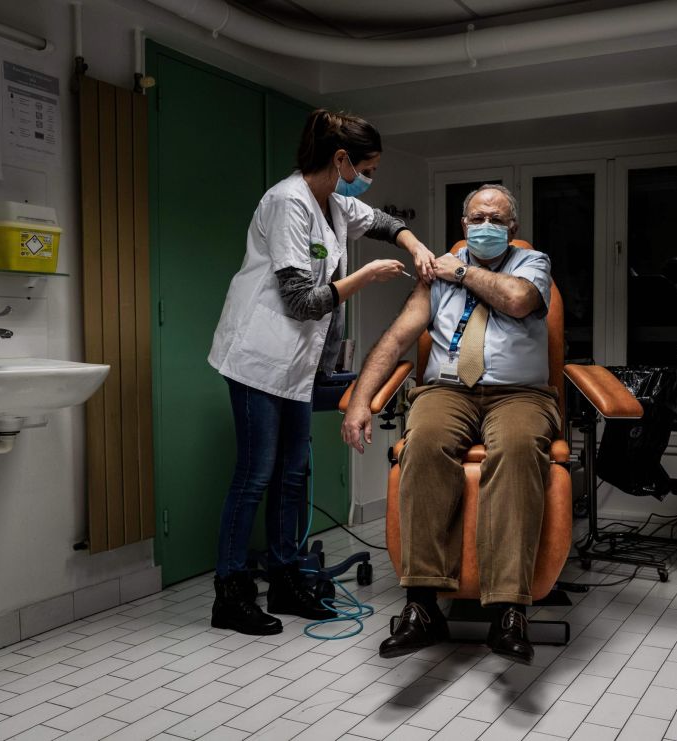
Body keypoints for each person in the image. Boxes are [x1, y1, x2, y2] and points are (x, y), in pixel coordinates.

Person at [208, 109, 435, 636]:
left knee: (293, 474)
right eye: (367, 168)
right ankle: (231, 593)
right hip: (257, 358)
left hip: (295, 365)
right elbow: (300, 302)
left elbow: (380, 221)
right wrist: (363, 277)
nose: (370, 177)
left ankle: (286, 580)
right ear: (340, 160)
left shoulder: (333, 202)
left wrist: (414, 243)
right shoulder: (288, 202)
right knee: (256, 474)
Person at [341, 184, 558, 664]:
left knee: (519, 447)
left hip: (518, 393)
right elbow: (397, 337)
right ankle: (421, 607)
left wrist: (461, 269)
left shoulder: (531, 263)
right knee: (422, 445)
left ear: (513, 229)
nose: (486, 226)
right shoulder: (433, 278)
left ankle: (508, 610)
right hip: (447, 390)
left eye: (496, 220)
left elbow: (519, 301)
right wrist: (361, 400)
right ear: (463, 224)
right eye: (477, 218)